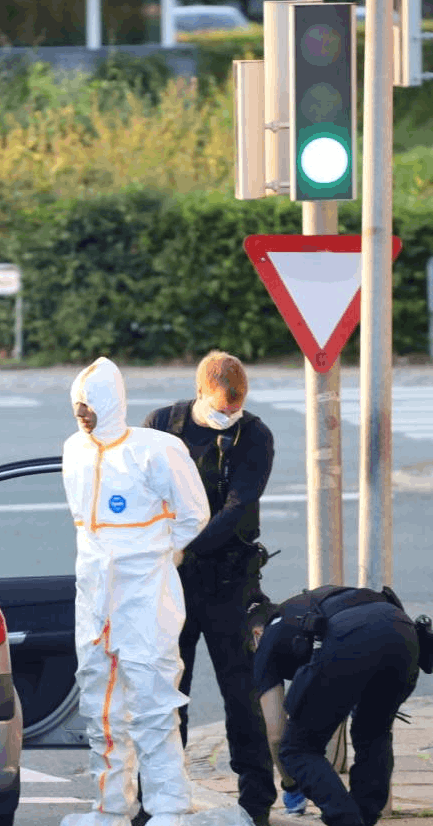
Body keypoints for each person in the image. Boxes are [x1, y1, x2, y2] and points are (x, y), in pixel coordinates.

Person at [60, 357, 211, 826]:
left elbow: (193, 513)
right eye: (77, 406)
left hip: (146, 591)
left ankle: (167, 804)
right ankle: (110, 805)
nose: (82, 414)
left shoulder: (156, 450)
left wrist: (158, 551)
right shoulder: (74, 451)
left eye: (90, 405)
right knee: (99, 702)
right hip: (95, 593)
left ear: (111, 403)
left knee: (152, 699)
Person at [143, 351, 278, 826]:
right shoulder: (163, 424)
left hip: (228, 579)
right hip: (170, 581)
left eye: (234, 411)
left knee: (241, 693)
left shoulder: (254, 435)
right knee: (166, 691)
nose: (227, 419)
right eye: (220, 410)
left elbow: (240, 506)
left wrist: (188, 545)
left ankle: (257, 800)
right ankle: (158, 797)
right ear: (200, 392)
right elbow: (143, 487)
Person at [250, 585, 426, 826]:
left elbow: (276, 735)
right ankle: (365, 816)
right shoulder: (300, 607)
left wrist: (291, 784)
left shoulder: (267, 638)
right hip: (402, 631)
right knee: (374, 733)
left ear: (256, 634)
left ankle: (345, 821)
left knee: (298, 749)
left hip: (348, 639)